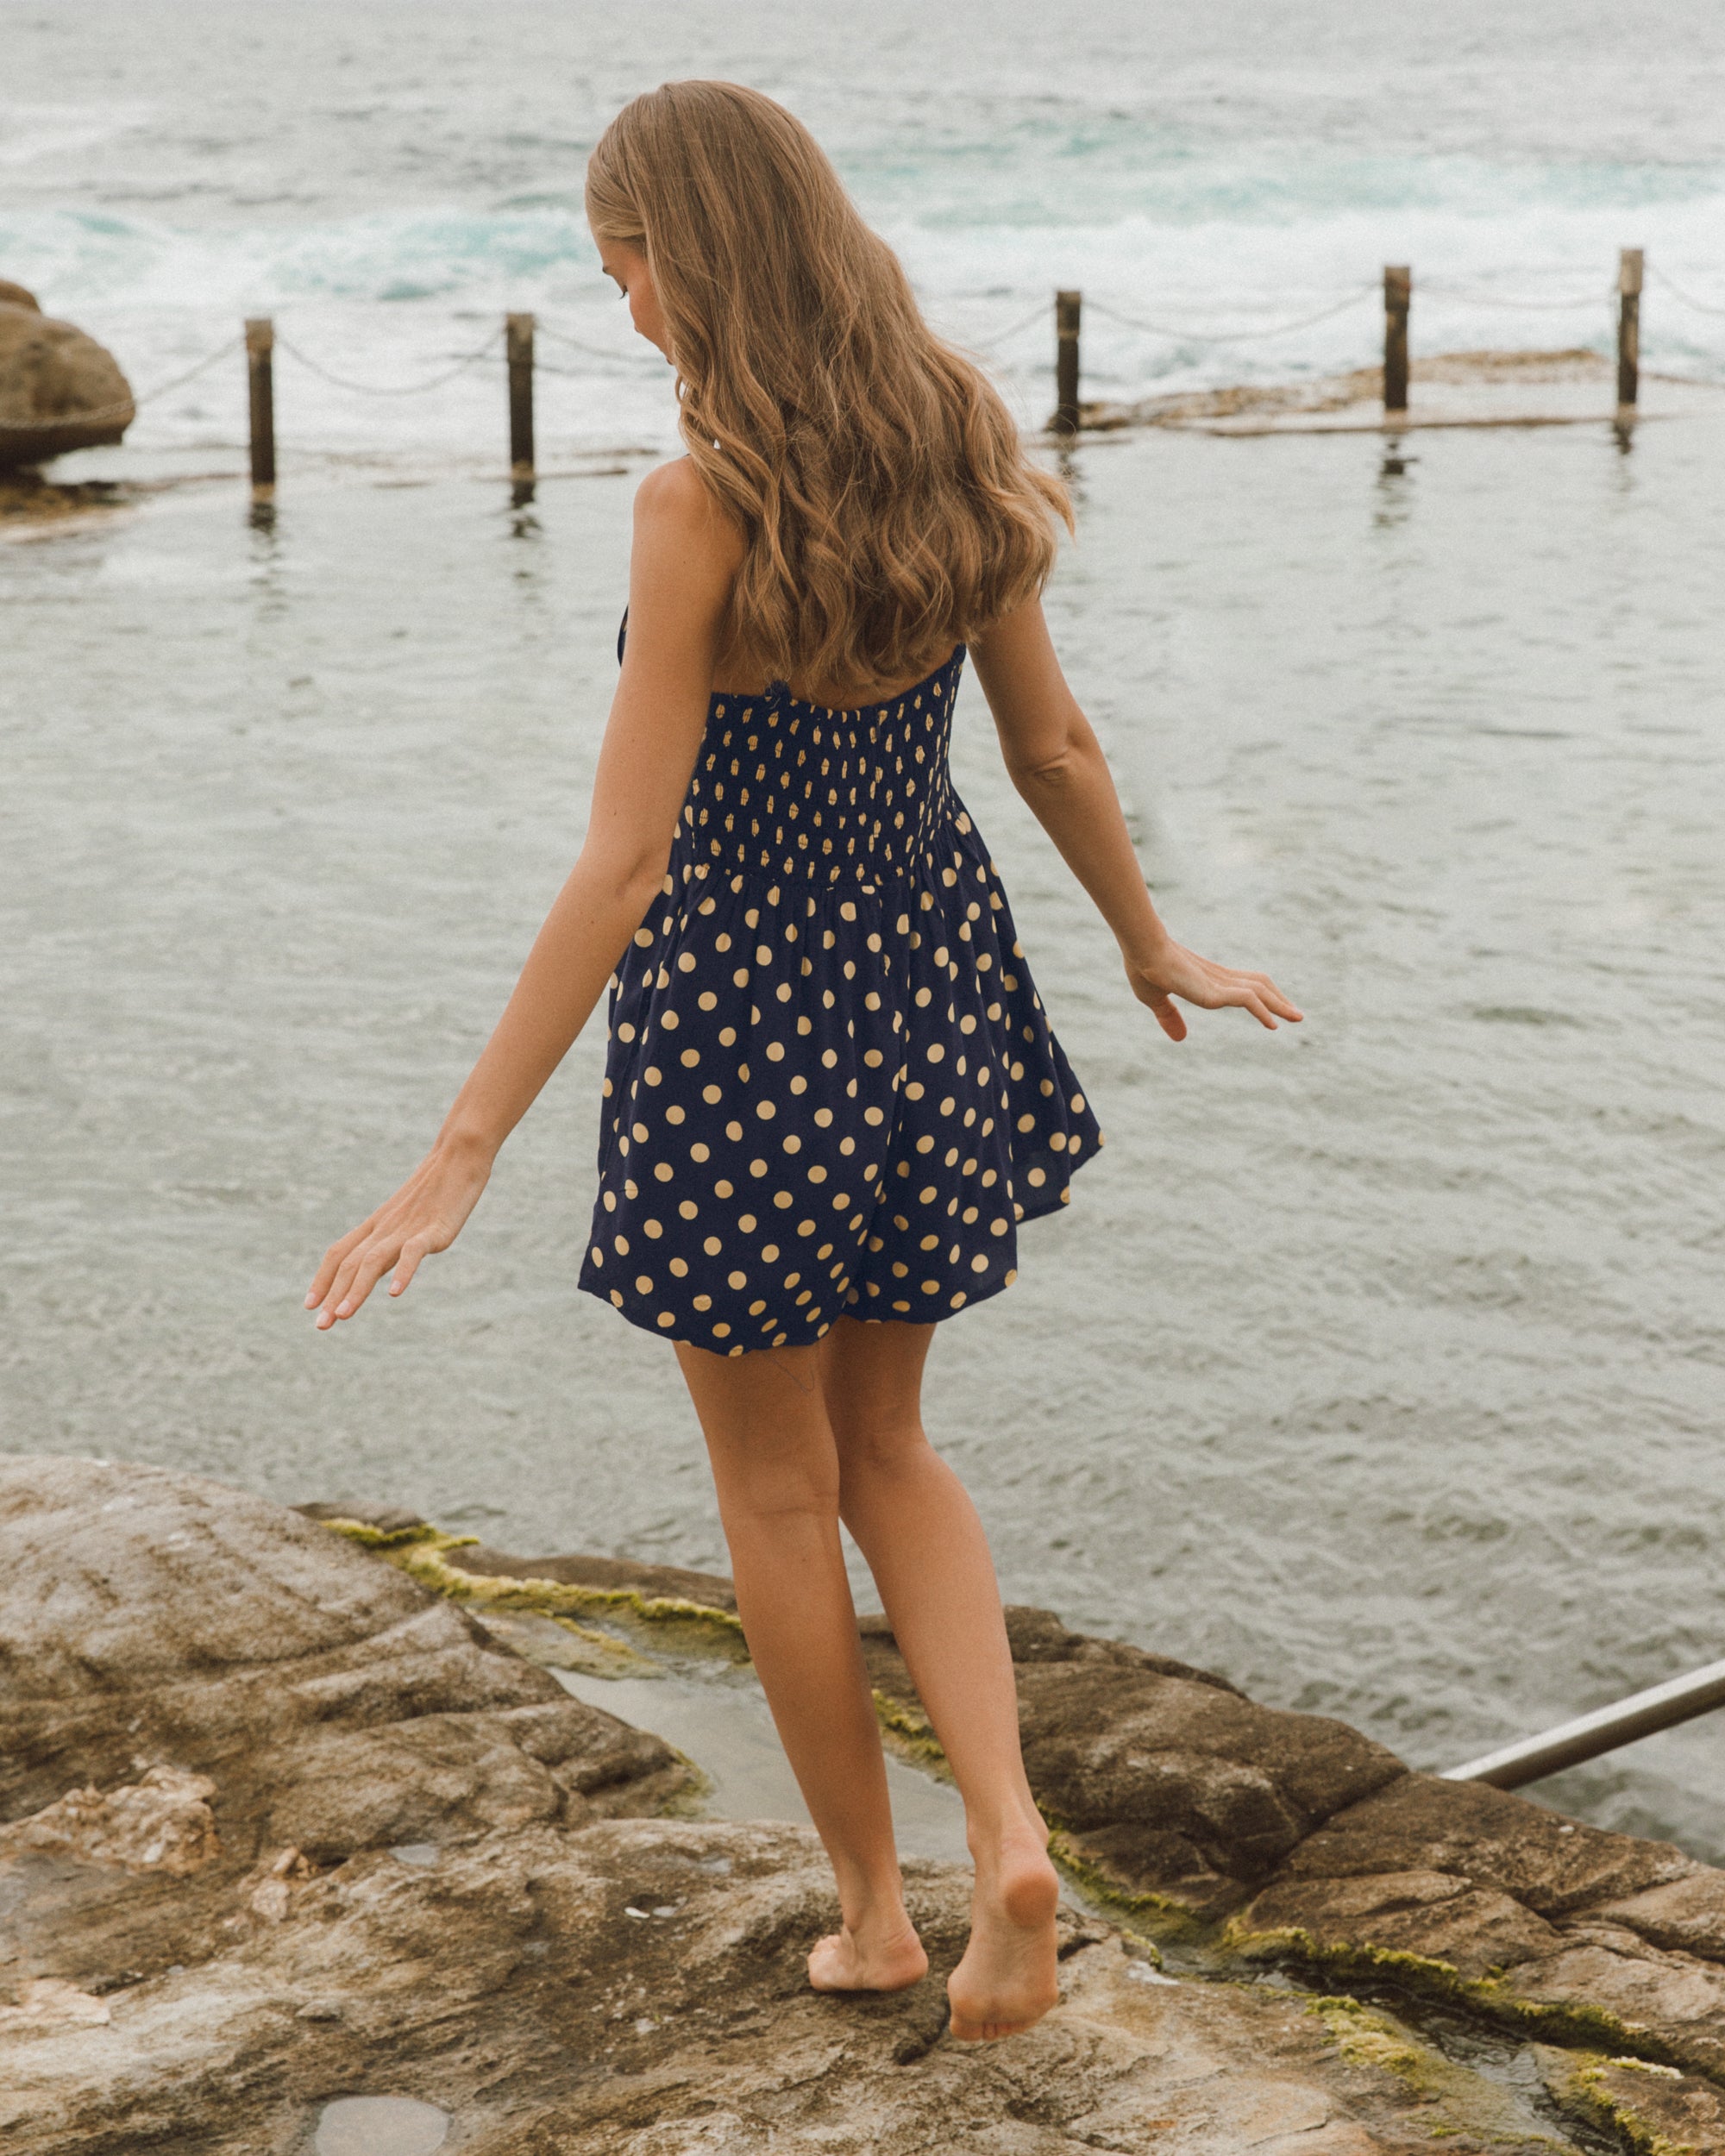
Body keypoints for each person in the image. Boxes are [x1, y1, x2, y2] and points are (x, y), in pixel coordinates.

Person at [305, 79, 1301, 2042]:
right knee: (896, 1446)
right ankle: (1008, 1826)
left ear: (693, 255)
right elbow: (1052, 750)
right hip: (925, 976)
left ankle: (875, 1908)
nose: (625, 313)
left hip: (742, 1018)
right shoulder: (956, 438)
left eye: (626, 269)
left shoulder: (702, 504)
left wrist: (464, 1141)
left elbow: (627, 859)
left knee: (774, 1488)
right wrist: (1145, 937)